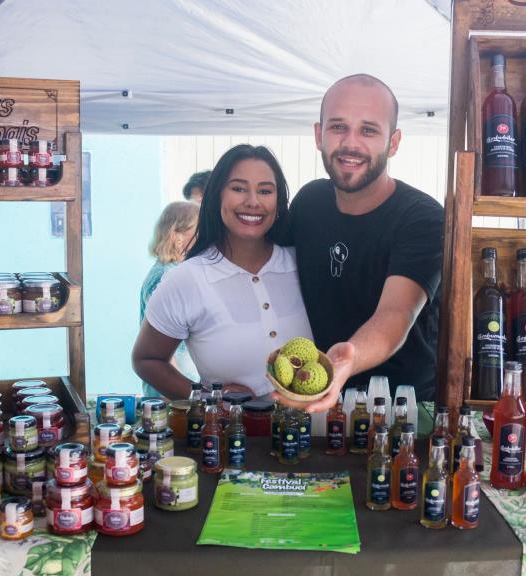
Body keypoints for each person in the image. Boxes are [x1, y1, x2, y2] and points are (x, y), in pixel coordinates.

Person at [277, 74, 444, 413]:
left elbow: (396, 312)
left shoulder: (422, 217)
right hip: (316, 404)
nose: (350, 143)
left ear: (393, 143)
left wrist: (345, 362)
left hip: (402, 414)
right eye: (338, 127)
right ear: (318, 135)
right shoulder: (309, 202)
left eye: (368, 130)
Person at [132, 145, 312, 400]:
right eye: (238, 188)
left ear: (279, 200)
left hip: (315, 436)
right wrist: (209, 399)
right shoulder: (187, 279)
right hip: (230, 437)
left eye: (265, 190)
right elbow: (146, 359)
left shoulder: (303, 263)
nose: (253, 201)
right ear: (217, 196)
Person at [139, 200, 200, 396]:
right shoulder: (164, 276)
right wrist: (175, 397)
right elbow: (163, 344)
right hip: (171, 393)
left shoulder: (175, 271)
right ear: (177, 237)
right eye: (198, 231)